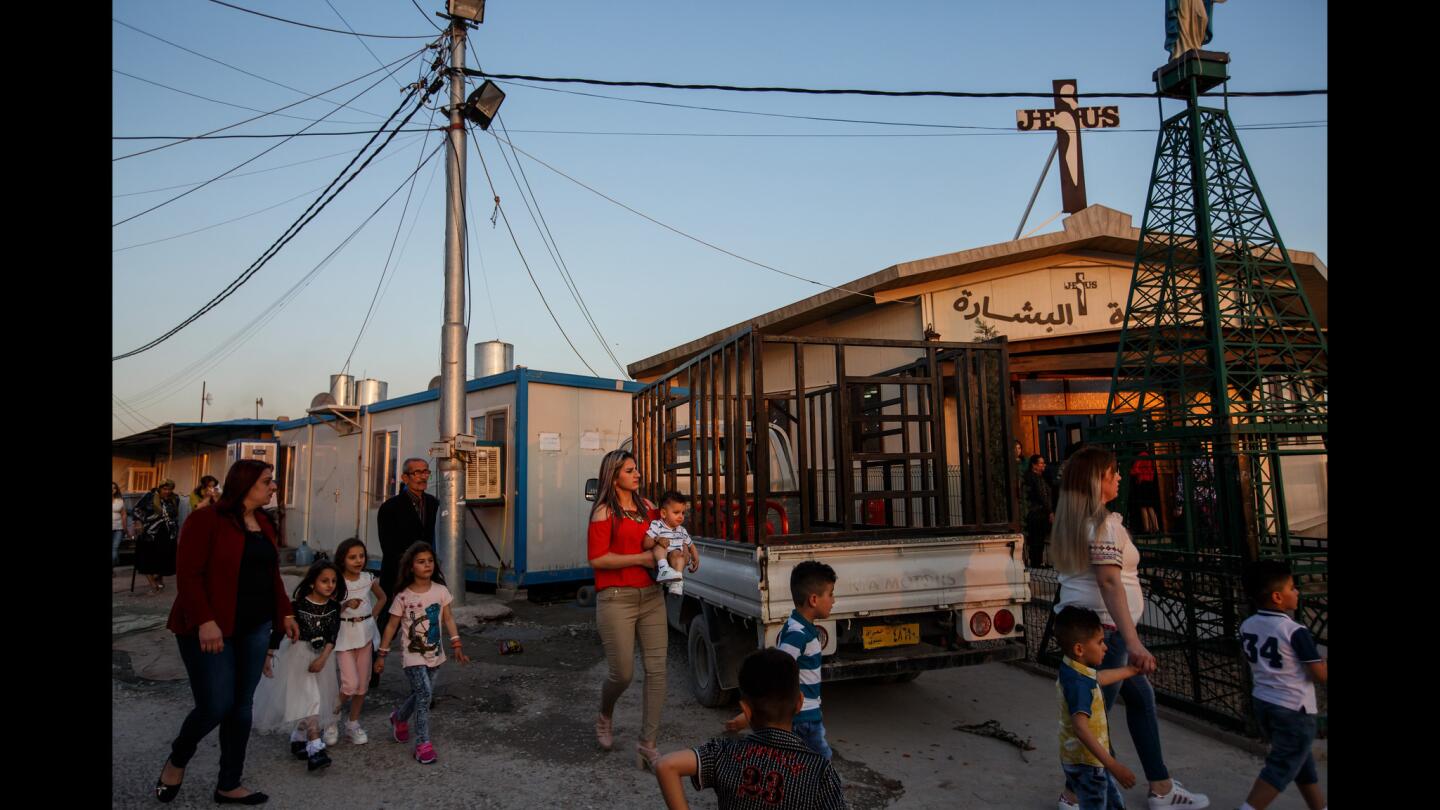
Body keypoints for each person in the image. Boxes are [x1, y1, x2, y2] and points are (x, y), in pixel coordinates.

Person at [1052, 446, 1209, 810]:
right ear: (1097, 481)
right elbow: (1110, 583)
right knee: (1093, 719)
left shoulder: (1074, 522)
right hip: (1106, 634)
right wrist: (1134, 641)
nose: (1119, 477)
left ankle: (1160, 785)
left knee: (1137, 701)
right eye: (1112, 473)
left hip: (1089, 631)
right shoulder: (1104, 525)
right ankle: (1076, 796)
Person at [157, 460, 299, 806]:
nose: (273, 486)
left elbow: (271, 576)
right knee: (215, 705)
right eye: (268, 481)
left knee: (241, 707)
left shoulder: (264, 522)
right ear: (246, 484)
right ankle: (178, 758)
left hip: (253, 628)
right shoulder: (206, 520)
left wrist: (284, 612)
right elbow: (188, 575)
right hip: (208, 629)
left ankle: (229, 783)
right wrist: (205, 620)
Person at [654, 649, 848, 810]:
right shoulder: (819, 771)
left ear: (746, 711)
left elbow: (666, 765)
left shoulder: (723, 753)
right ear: (799, 703)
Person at [586, 449, 666, 769]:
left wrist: (679, 552)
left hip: (651, 597)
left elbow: (665, 536)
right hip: (616, 598)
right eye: (630, 470)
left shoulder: (648, 508)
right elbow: (597, 559)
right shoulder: (604, 512)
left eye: (637, 469)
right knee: (623, 674)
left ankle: (648, 743)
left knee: (658, 671)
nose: (637, 474)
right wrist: (642, 558)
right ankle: (606, 713)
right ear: (614, 476)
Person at [1236, 561, 1327, 810]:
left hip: (1264, 703)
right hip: (1294, 708)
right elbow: (1320, 673)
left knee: (1301, 763)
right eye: (1292, 587)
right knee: (1282, 766)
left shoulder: (1247, 626)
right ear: (1277, 597)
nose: (1296, 592)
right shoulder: (1294, 630)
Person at [724, 561, 837, 760]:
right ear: (813, 599)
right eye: (830, 594)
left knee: (794, 761)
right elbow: (776, 676)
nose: (833, 600)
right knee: (822, 762)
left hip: (804, 714)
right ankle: (822, 791)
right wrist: (749, 716)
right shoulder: (798, 635)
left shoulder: (800, 628)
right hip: (803, 718)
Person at [373, 542, 469, 765]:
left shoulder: (441, 591)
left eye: (430, 561)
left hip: (436, 654)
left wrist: (456, 644)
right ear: (411, 567)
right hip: (413, 655)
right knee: (425, 696)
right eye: (421, 561)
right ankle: (423, 744)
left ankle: (399, 718)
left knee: (420, 694)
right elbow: (390, 626)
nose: (427, 565)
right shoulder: (403, 597)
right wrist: (382, 654)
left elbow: (448, 619)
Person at [252, 560, 343, 772]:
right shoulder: (297, 606)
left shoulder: (333, 608)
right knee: (310, 699)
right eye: (324, 581)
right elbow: (279, 631)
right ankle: (315, 748)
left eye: (333, 581)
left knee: (314, 699)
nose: (330, 585)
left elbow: (332, 636)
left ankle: (298, 737)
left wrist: (323, 659)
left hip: (321, 659)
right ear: (312, 583)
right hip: (297, 656)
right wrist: (269, 655)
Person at [1054, 606, 1142, 810]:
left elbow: (1098, 679)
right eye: (1100, 642)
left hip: (1090, 762)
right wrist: (1114, 765)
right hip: (1088, 764)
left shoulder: (1073, 668)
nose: (1105, 648)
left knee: (1113, 803)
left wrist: (1130, 670)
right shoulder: (1078, 684)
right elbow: (1081, 728)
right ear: (1079, 649)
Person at [373, 458, 438, 689]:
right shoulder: (390, 508)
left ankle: (421, 683)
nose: (422, 476)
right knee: (386, 622)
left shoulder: (432, 503)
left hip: (424, 575)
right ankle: (372, 670)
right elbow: (388, 546)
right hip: (397, 574)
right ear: (405, 478)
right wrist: (409, 569)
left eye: (425, 472)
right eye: (416, 472)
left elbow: (429, 540)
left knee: (422, 626)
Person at [333, 537, 387, 744]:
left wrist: (371, 616)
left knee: (362, 684)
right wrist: (345, 604)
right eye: (352, 557)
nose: (358, 561)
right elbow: (329, 608)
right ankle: (331, 718)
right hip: (344, 636)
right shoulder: (336, 580)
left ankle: (352, 724)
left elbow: (382, 597)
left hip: (365, 635)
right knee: (349, 684)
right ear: (342, 559)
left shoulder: (368, 578)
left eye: (361, 556)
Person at [645, 490, 700, 595]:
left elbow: (690, 544)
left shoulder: (682, 530)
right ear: (663, 513)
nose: (681, 516)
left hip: (674, 559)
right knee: (660, 546)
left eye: (683, 513)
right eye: (676, 512)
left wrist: (696, 557)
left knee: (678, 555)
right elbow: (646, 543)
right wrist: (657, 539)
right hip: (661, 558)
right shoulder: (657, 525)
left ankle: (677, 581)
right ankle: (664, 569)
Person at [133, 479, 181, 594]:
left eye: (170, 489)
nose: (167, 491)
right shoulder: (149, 496)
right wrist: (138, 523)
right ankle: (153, 585)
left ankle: (159, 578)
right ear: (159, 488)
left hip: (168, 533)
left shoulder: (175, 498)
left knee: (164, 558)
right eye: (165, 489)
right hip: (150, 533)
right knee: (147, 559)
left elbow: (174, 515)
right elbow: (136, 510)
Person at [1023, 455, 1054, 568]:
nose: (1043, 465)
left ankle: (1036, 561)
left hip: (1033, 512)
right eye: (1041, 463)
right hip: (1038, 513)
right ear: (1034, 465)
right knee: (1038, 539)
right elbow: (1043, 495)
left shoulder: (1032, 477)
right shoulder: (1036, 478)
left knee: (1035, 540)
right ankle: (1037, 562)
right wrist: (1050, 511)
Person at [113, 481, 128, 572]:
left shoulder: (120, 501)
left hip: (118, 528)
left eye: (114, 488)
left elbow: (124, 515)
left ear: (116, 490)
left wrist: (125, 527)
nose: (112, 490)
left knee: (115, 548)